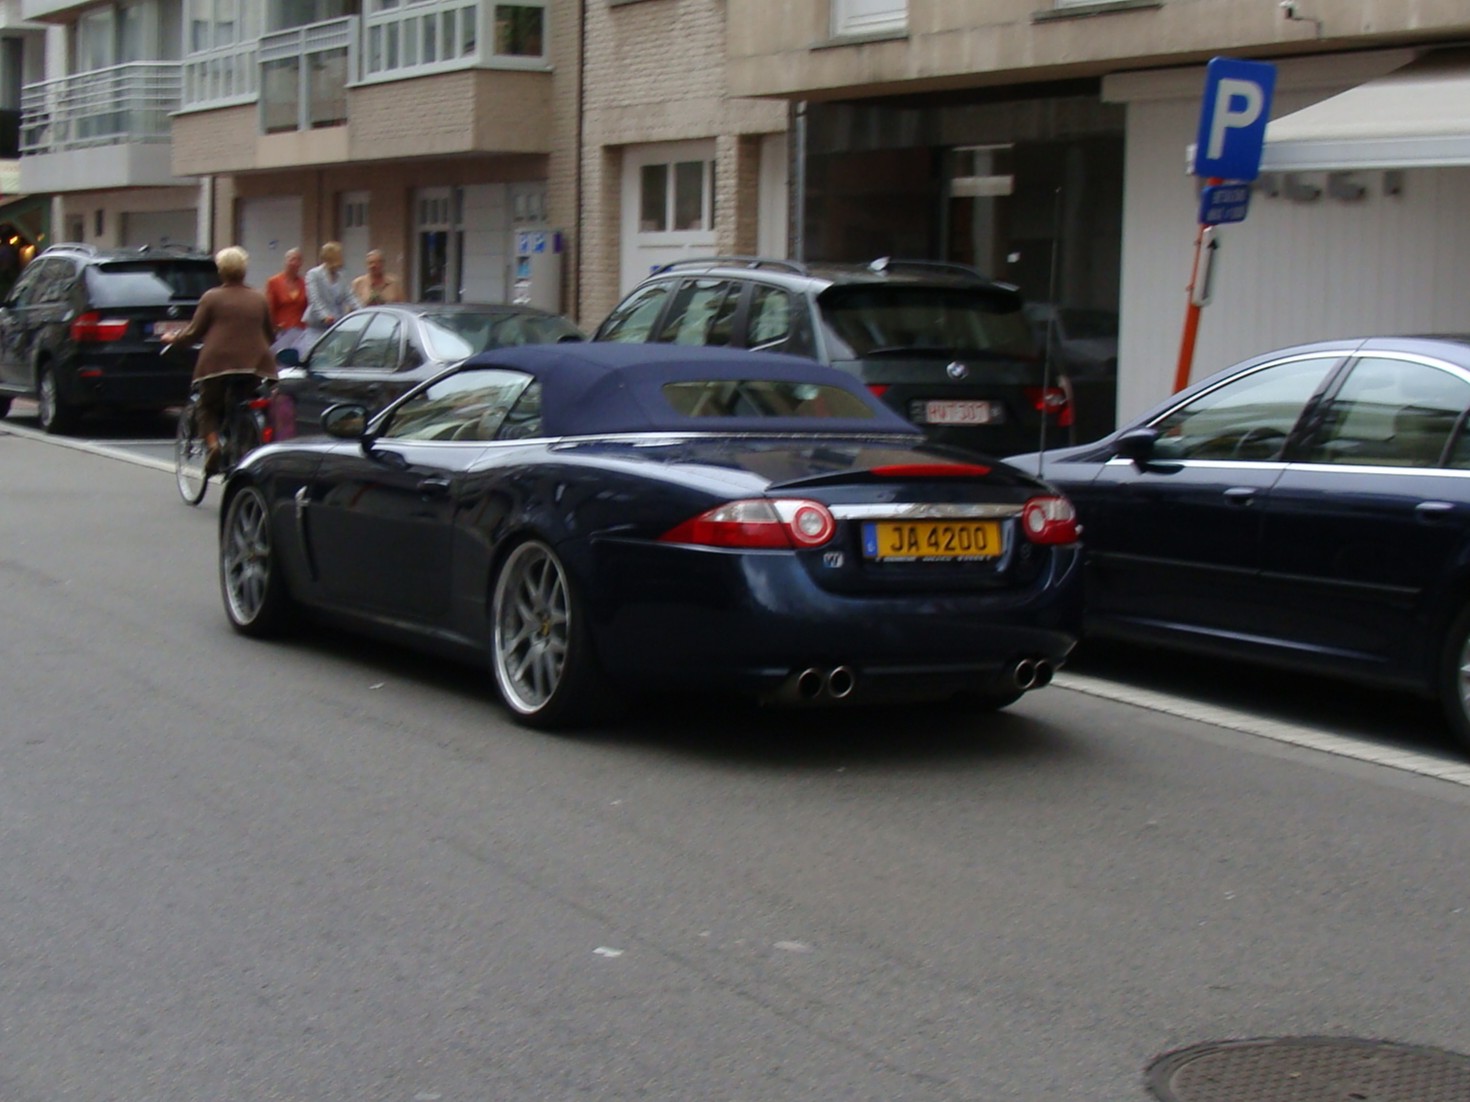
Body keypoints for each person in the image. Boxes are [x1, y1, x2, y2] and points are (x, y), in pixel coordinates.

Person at [163, 246, 276, 472]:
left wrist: (173, 339)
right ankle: (245, 440)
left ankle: (214, 445)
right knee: (246, 400)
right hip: (255, 365)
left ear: (221, 271)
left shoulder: (211, 297)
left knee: (207, 406)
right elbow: (270, 335)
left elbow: (194, 333)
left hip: (218, 363)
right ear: (244, 270)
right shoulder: (259, 298)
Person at [303, 241, 357, 335]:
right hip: (317, 326)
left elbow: (350, 296)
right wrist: (325, 316)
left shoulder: (341, 276)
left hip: (337, 324)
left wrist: (362, 310)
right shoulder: (314, 274)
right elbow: (314, 299)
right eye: (339, 255)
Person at [264, 247, 309, 354]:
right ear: (285, 261)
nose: (294, 263)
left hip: (300, 332)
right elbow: (269, 308)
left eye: (298, 260)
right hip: (281, 332)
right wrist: (273, 328)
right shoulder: (274, 282)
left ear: (301, 263)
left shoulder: (305, 283)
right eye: (291, 259)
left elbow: (308, 307)